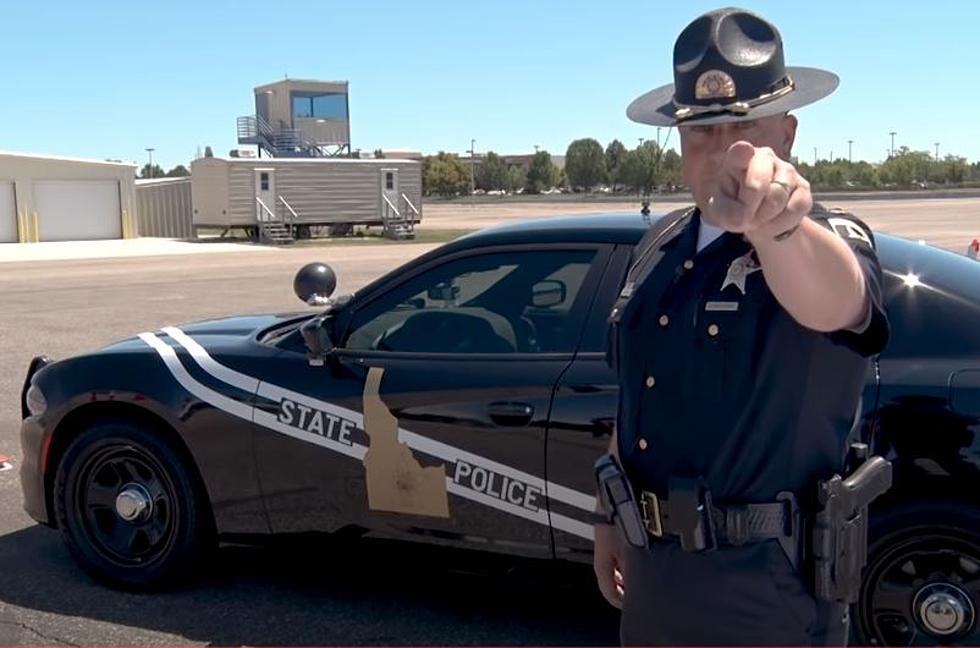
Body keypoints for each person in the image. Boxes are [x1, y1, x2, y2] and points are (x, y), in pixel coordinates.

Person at [593, 7, 890, 646]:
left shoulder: (820, 237)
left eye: (743, 127)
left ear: (786, 133)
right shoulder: (659, 252)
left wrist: (776, 224)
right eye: (699, 131)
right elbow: (634, 399)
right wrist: (607, 520)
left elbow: (835, 302)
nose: (721, 150)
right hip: (654, 584)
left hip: (768, 598)